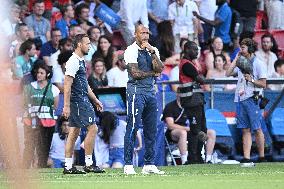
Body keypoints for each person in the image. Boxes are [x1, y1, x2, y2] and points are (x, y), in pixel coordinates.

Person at [123, 24, 165, 175]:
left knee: (151, 129)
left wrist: (153, 52)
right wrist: (152, 73)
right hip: (135, 91)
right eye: (142, 33)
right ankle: (128, 164)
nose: (146, 36)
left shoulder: (153, 50)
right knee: (133, 126)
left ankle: (149, 164)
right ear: (136, 35)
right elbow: (134, 73)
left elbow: (160, 69)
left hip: (150, 93)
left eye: (147, 33)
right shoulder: (130, 50)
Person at [62, 34, 104, 174]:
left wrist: (95, 99)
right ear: (79, 44)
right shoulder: (73, 61)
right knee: (93, 129)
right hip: (78, 101)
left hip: (82, 100)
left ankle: (68, 166)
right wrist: (66, 106)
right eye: (87, 43)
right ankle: (89, 163)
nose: (89, 46)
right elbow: (67, 84)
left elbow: (84, 84)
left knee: (74, 132)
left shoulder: (81, 61)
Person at [226, 38, 267, 165]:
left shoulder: (259, 63)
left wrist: (252, 80)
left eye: (243, 48)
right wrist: (235, 60)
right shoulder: (241, 62)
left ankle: (261, 156)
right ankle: (247, 157)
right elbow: (227, 73)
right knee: (245, 129)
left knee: (257, 128)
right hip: (240, 98)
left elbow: (264, 84)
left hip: (253, 99)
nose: (240, 50)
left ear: (250, 48)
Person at [22, 61, 59, 168]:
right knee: (29, 146)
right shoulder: (28, 87)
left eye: (41, 73)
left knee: (44, 147)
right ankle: (24, 169)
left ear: (47, 74)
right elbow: (24, 104)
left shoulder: (54, 89)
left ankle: (41, 168)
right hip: (31, 122)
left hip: (48, 122)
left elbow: (55, 107)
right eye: (37, 73)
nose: (38, 75)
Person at [163, 97, 221, 164]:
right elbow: (170, 125)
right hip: (175, 133)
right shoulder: (170, 106)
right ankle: (184, 161)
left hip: (193, 132)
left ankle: (208, 160)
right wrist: (186, 128)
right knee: (183, 133)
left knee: (211, 133)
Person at [178, 40, 207, 164]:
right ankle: (192, 158)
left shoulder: (190, 63)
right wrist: (203, 78)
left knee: (202, 130)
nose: (197, 52)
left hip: (197, 101)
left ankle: (199, 156)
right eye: (194, 49)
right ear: (187, 49)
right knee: (195, 130)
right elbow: (200, 79)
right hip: (191, 101)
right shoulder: (186, 64)